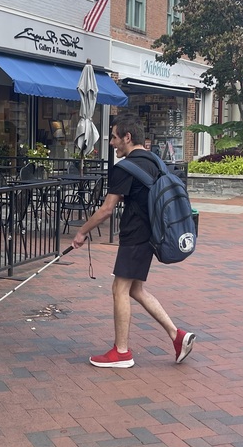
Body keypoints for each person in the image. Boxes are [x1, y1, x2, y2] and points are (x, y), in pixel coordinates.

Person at [72, 111, 196, 368]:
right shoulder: (155, 161)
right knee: (135, 289)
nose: (111, 143)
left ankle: (121, 352)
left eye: (115, 137)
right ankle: (177, 335)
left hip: (135, 236)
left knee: (119, 288)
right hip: (152, 235)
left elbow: (107, 209)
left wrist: (82, 231)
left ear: (127, 137)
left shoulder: (125, 167)